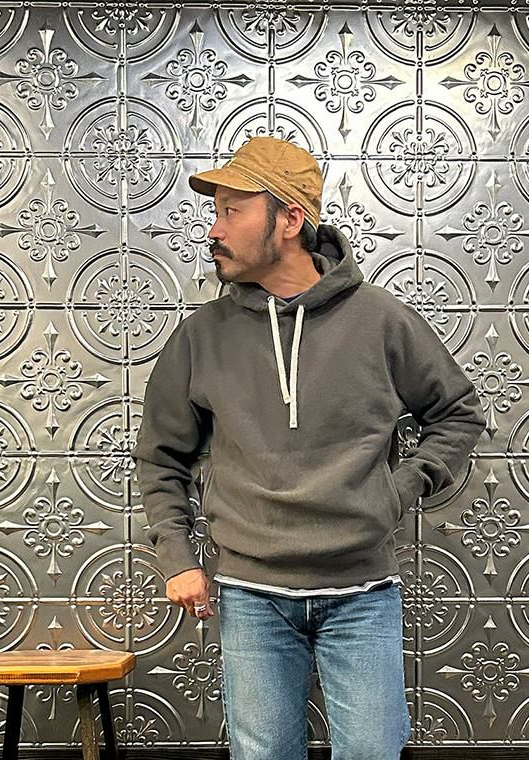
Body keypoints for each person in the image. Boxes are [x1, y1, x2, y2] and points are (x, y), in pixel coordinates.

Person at [131, 136, 485, 760]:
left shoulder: (381, 321)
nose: (214, 230)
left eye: (232, 211)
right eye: (216, 212)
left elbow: (456, 412)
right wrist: (178, 557)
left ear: (290, 219)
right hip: (250, 594)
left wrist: (395, 491)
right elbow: (161, 456)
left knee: (372, 753)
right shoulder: (200, 337)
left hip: (361, 592)